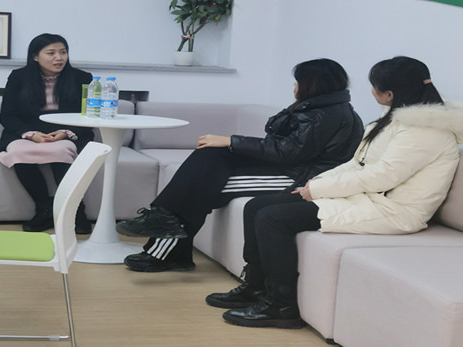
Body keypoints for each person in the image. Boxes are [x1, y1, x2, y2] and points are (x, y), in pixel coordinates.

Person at [207, 56, 463, 329]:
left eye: (374, 86)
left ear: (389, 94)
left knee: (273, 218)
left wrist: (319, 189)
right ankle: (255, 286)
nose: (372, 91)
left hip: (393, 211)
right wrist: (315, 184)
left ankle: (280, 305)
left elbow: (382, 176)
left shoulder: (425, 131)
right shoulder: (396, 119)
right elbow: (357, 164)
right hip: (370, 199)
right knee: (256, 206)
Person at [116, 59, 364, 272]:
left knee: (198, 188)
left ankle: (166, 249)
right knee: (211, 155)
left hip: (300, 179)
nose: (294, 86)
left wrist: (231, 140)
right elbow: (285, 147)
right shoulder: (318, 108)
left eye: (297, 81)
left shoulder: (327, 115)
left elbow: (287, 152)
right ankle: (163, 224)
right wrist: (227, 144)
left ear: (312, 84)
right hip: (289, 168)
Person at [0, 33, 94, 233]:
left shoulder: (82, 78)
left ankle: (76, 211)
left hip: (66, 131)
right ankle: (44, 208)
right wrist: (30, 134)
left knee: (61, 151)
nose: (59, 58)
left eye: (63, 52)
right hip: (27, 132)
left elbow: (89, 115)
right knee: (18, 152)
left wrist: (65, 131)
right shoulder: (19, 77)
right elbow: (7, 115)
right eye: (51, 53)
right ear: (35, 56)